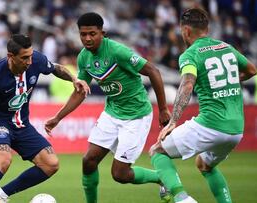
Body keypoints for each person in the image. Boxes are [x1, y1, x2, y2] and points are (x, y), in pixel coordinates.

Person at [45, 12, 171, 203]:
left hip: (136, 116)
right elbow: (80, 91)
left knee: (120, 174)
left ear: (102, 33)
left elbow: (153, 71)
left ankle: (162, 178)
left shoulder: (117, 51)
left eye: (92, 34)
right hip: (112, 113)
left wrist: (162, 109)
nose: (87, 38)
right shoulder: (84, 58)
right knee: (88, 161)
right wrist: (57, 118)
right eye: (83, 34)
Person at [0, 34, 90, 203]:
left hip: (22, 124)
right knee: (4, 160)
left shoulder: (35, 59)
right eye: (24, 58)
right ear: (11, 56)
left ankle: (0, 195)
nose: (30, 61)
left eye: (30, 56)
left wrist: (74, 79)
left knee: (51, 164)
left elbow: (56, 68)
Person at [149, 8, 257, 203]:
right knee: (204, 165)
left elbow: (188, 83)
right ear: (206, 29)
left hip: (211, 124)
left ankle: (183, 199)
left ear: (186, 31)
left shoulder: (190, 55)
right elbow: (251, 70)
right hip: (236, 130)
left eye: (182, 31)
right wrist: (231, 81)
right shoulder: (226, 47)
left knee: (157, 152)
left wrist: (173, 121)